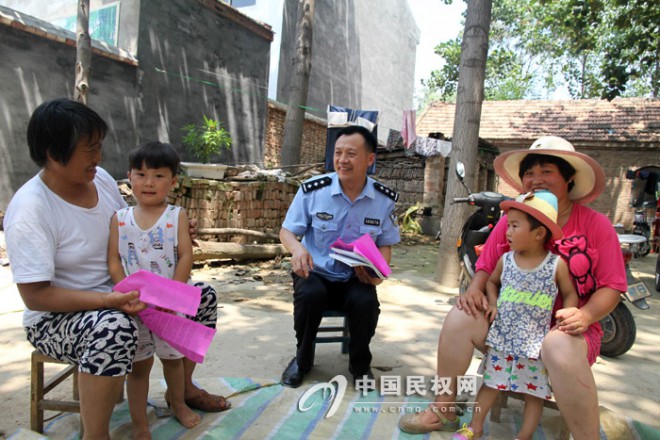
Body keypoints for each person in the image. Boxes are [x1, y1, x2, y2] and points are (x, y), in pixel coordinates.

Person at [2, 99, 226, 439]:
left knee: (203, 296)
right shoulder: (31, 209)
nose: (99, 158)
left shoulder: (101, 179)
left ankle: (183, 389)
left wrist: (169, 233)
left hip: (124, 293)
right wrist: (108, 300)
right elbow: (36, 296)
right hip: (58, 317)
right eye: (89, 150)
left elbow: (130, 230)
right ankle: (97, 434)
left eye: (99, 147)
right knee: (114, 328)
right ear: (53, 153)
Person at [399, 136, 626, 440]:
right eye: (529, 174)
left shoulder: (596, 225)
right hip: (510, 323)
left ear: (569, 177)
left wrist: (584, 316)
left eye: (546, 172)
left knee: (557, 344)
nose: (536, 180)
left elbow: (612, 286)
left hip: (569, 329)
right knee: (460, 317)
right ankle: (444, 409)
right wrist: (476, 290)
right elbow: (486, 266)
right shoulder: (513, 219)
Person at [279, 125, 401, 388]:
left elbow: (386, 244)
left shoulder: (383, 199)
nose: (342, 160)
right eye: (338, 153)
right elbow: (287, 231)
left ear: (370, 159)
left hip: (354, 277)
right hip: (316, 272)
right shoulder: (313, 190)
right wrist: (298, 249)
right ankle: (302, 359)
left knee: (366, 303)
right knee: (310, 296)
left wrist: (377, 275)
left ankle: (360, 365)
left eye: (351, 154)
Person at [451, 190, 578, 440]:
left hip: (534, 344)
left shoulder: (556, 265)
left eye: (515, 226)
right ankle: (474, 428)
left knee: (534, 394)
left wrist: (568, 313)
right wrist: (494, 303)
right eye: (508, 225)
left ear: (539, 233)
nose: (507, 232)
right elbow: (491, 283)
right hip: (503, 338)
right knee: (490, 384)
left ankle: (524, 435)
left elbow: (569, 293)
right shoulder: (506, 260)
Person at [108, 141, 205, 437]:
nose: (149, 182)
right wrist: (124, 292)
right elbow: (113, 259)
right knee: (139, 367)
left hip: (169, 306)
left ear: (173, 181)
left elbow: (186, 256)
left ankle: (178, 404)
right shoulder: (120, 219)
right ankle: (140, 423)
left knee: (173, 361)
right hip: (134, 307)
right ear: (129, 177)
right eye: (141, 174)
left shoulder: (177, 217)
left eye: (159, 175)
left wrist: (171, 295)